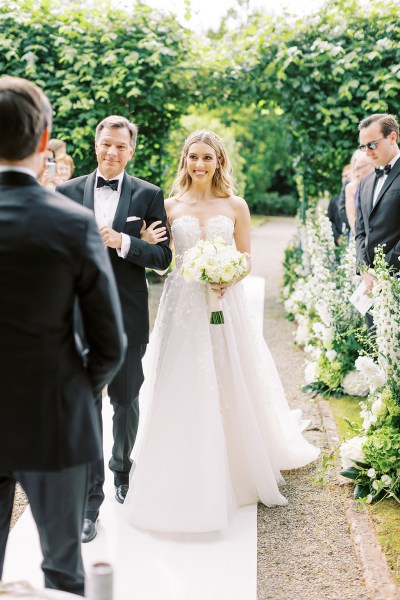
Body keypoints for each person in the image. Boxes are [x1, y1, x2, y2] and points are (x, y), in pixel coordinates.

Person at [122, 130, 319, 533]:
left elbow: (246, 259)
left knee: (229, 374)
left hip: (223, 304)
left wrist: (228, 276)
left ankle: (235, 461)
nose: (199, 164)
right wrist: (143, 240)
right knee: (183, 380)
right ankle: (185, 461)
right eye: (193, 157)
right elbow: (161, 262)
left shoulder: (236, 205)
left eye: (207, 158)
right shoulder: (169, 205)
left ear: (219, 162)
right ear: (185, 160)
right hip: (182, 306)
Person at [0, 77, 126, 595]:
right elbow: (110, 344)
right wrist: (75, 388)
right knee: (62, 570)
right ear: (44, 137)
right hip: (55, 417)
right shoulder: (72, 223)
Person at [56, 115, 172, 542]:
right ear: (95, 143)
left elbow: (162, 258)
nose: (112, 152)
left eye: (121, 146)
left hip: (127, 316)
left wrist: (124, 242)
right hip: (77, 320)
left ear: (131, 150)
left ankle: (122, 471)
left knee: (125, 399)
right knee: (86, 407)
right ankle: (90, 505)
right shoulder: (65, 192)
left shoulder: (148, 195)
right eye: (106, 144)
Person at [355, 113, 400, 295]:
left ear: (392, 137)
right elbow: (360, 233)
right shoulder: (365, 182)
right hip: (369, 288)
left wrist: (383, 269)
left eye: (372, 145)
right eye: (363, 146)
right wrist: (364, 269)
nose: (367, 152)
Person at [345, 152, 374, 236]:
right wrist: (361, 237)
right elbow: (351, 217)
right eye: (355, 169)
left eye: (359, 168)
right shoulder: (350, 188)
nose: (356, 173)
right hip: (358, 235)